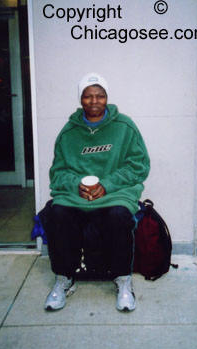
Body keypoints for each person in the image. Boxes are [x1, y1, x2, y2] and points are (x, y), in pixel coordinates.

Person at [44, 73, 150, 312]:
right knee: (58, 213)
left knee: (119, 216)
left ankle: (123, 280)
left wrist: (108, 185)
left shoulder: (125, 126)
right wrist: (75, 185)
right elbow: (57, 172)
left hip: (114, 192)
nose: (94, 101)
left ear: (107, 98)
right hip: (76, 194)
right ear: (80, 99)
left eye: (100, 95)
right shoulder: (68, 133)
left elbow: (139, 165)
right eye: (88, 96)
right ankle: (64, 278)